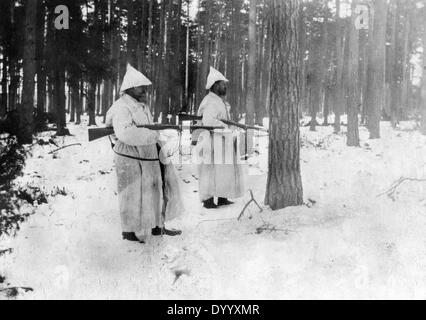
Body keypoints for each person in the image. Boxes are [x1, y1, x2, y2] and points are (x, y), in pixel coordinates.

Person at [105, 64, 183, 243]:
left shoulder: (141, 106)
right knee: (131, 193)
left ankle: (156, 225)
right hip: (129, 156)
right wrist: (152, 135)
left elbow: (147, 127)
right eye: (141, 87)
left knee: (154, 189)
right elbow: (126, 133)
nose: (144, 90)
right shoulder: (121, 107)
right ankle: (129, 231)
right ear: (130, 88)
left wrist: (154, 136)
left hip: (147, 154)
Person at [196, 67, 245, 209]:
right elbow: (209, 121)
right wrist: (225, 128)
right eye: (222, 84)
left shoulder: (218, 100)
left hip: (221, 140)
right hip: (211, 140)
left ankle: (222, 196)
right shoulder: (210, 101)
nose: (225, 87)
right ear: (215, 86)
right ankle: (208, 199)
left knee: (223, 169)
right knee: (210, 170)